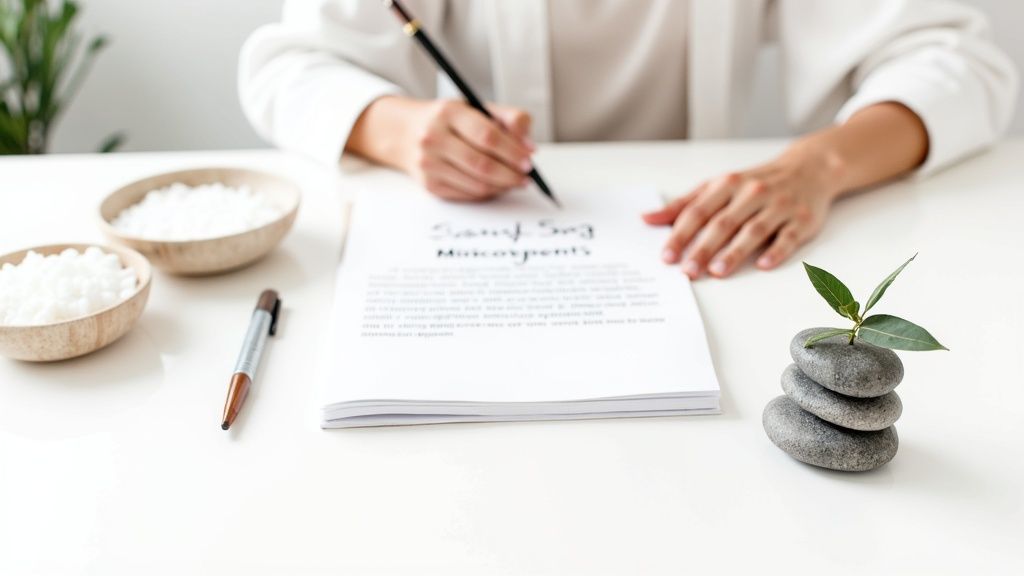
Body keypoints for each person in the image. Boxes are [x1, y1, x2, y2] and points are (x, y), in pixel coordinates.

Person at [239, 0, 1017, 279]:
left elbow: (961, 68)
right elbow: (288, 67)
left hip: (711, 260)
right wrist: (403, 129)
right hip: (490, 239)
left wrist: (816, 164)